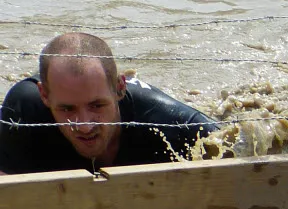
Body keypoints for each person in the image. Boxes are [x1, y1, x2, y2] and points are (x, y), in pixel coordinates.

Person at [1, 33, 218, 175]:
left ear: (120, 88)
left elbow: (239, 156)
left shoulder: (172, 124)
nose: (84, 126)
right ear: (44, 95)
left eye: (96, 105)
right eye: (67, 109)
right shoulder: (23, 115)